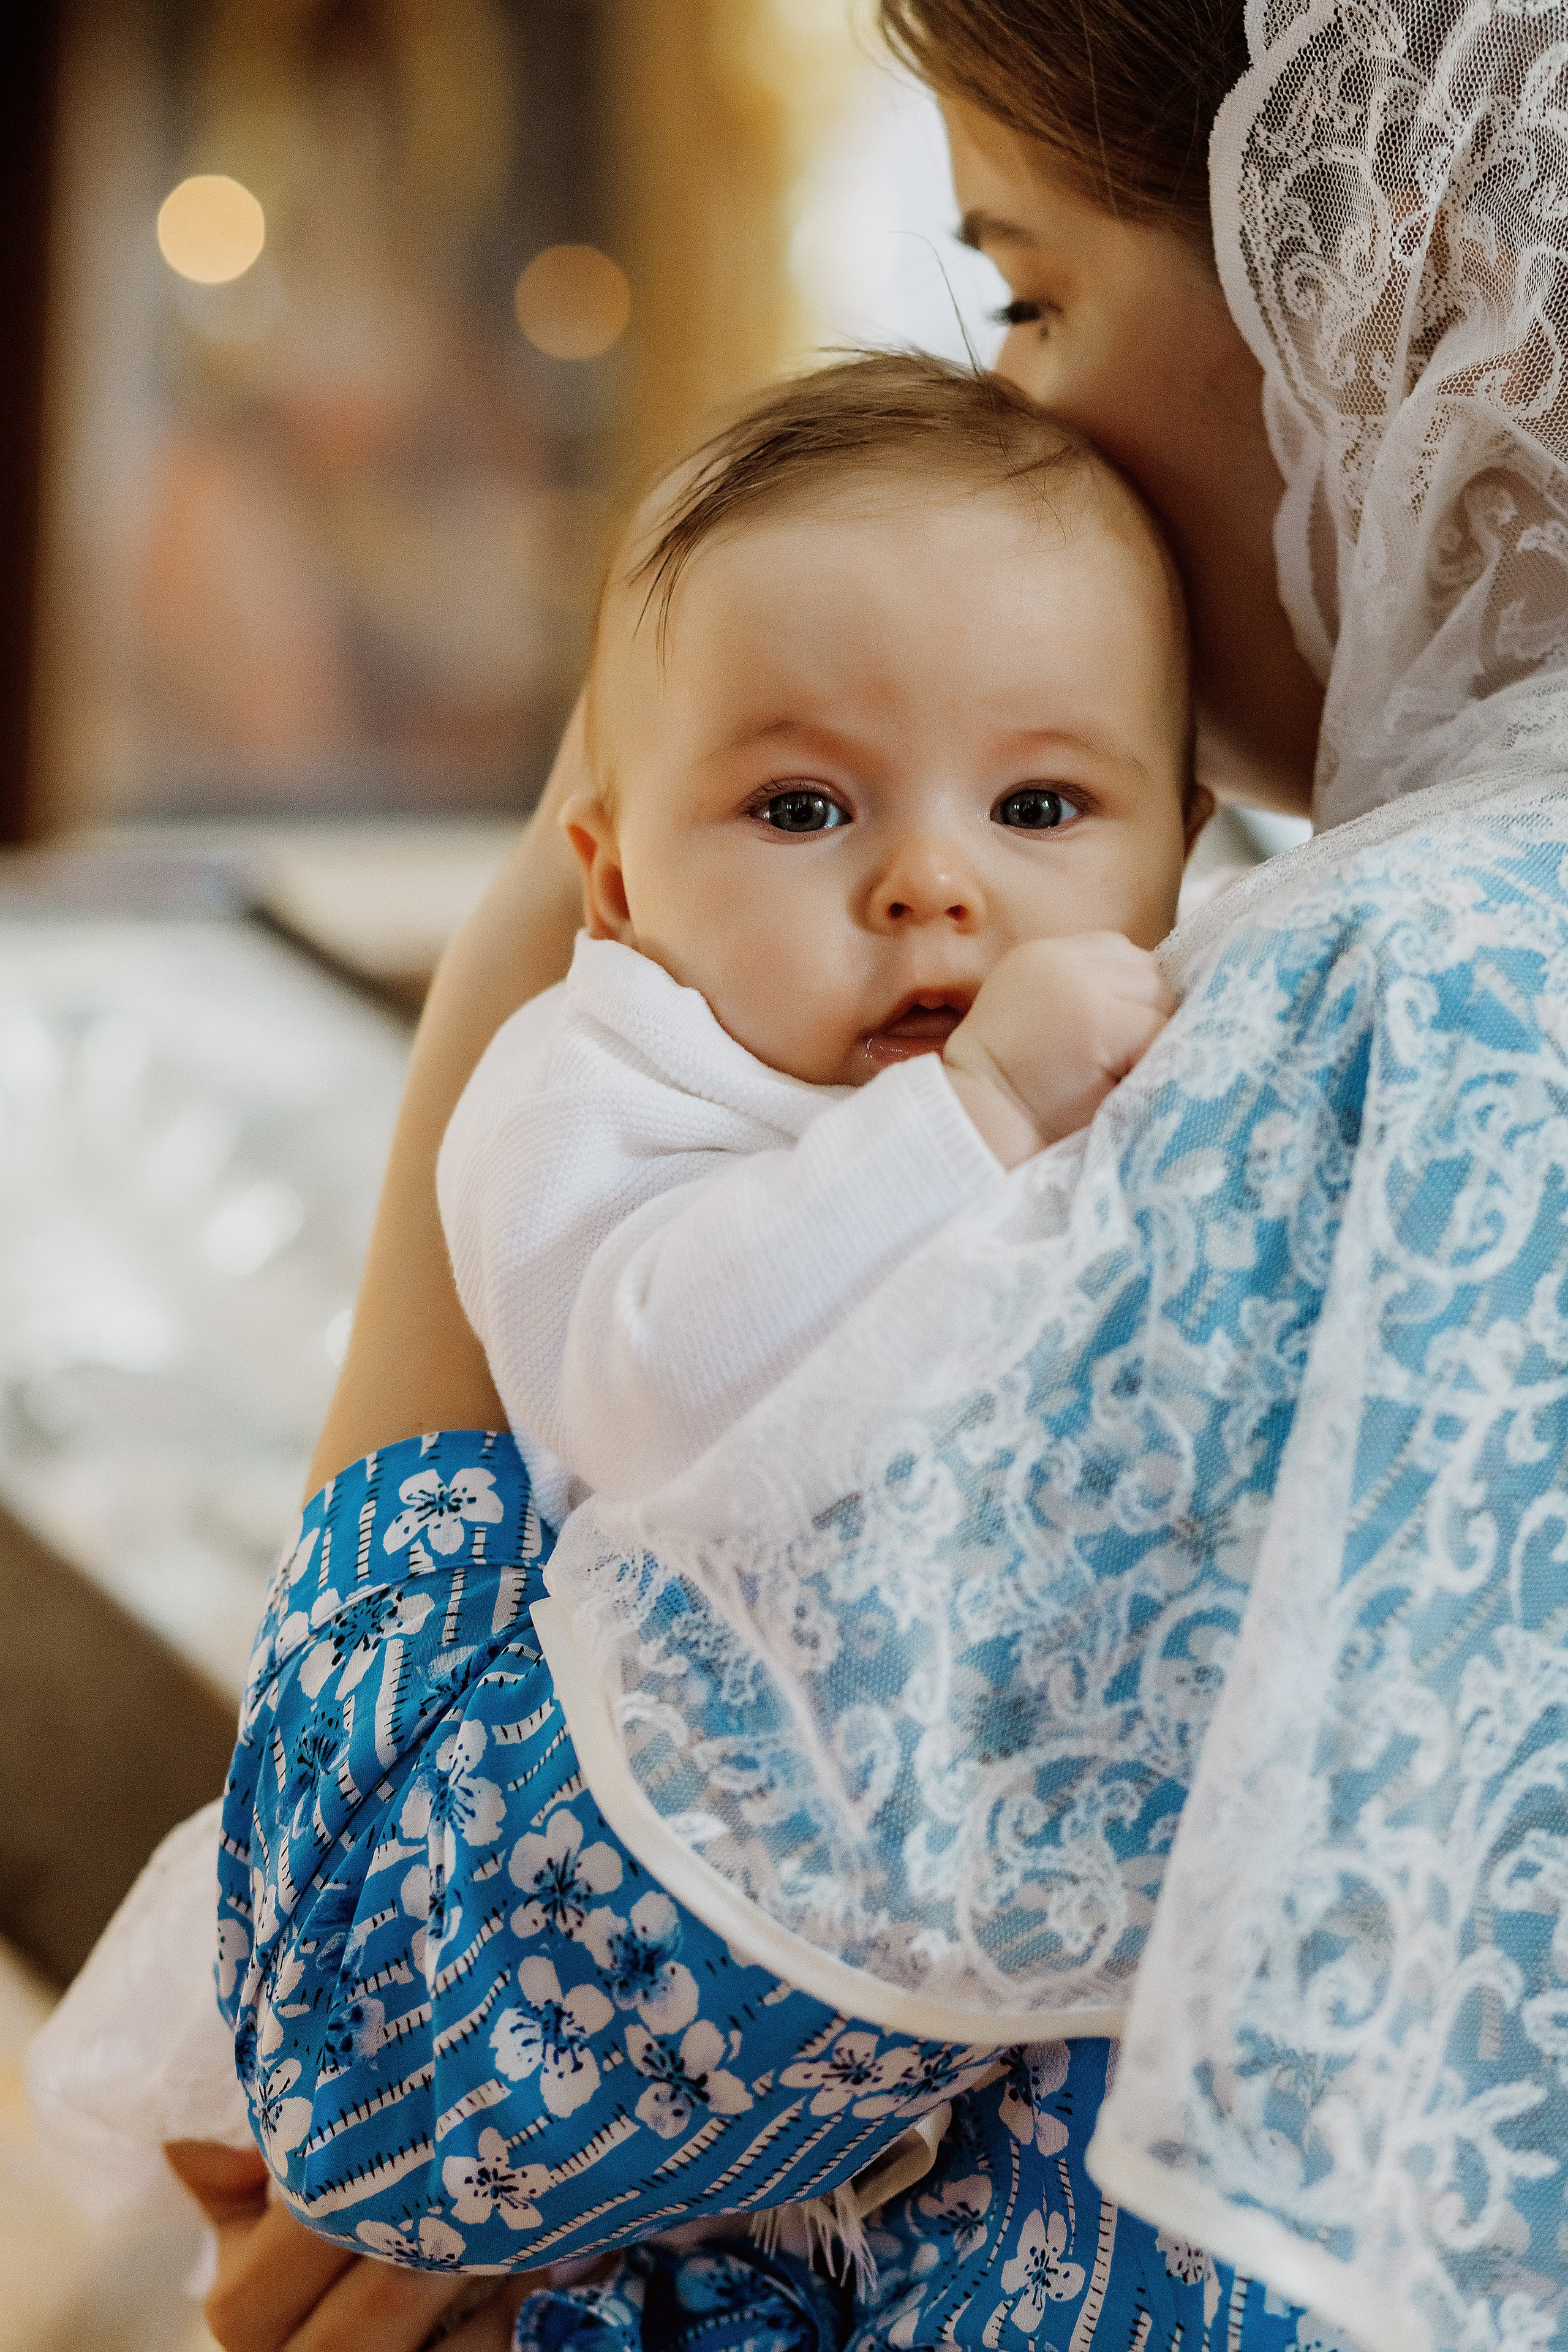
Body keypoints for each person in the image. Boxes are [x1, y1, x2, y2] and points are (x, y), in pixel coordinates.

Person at [165, 0, 1568, 2347]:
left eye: (1028, 292)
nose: (1014, 413)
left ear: (1383, 267)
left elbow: (388, 2041)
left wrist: (534, 949)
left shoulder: (1393, 1005)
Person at [439, 353, 1199, 1520]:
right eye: (802, 810)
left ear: (1184, 853)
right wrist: (984, 1110)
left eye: (1037, 807)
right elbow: (651, 1397)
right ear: (619, 884)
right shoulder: (591, 1086)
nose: (930, 885)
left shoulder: (1189, 1007)